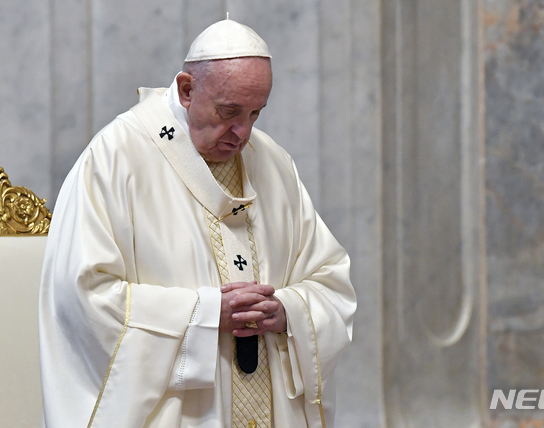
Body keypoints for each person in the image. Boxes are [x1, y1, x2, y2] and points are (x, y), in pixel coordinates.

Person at [39, 18, 356, 428]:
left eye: (255, 114)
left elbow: (329, 279)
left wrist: (286, 310)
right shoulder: (116, 158)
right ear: (187, 90)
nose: (243, 132)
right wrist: (206, 315)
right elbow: (82, 298)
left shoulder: (273, 162)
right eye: (229, 112)